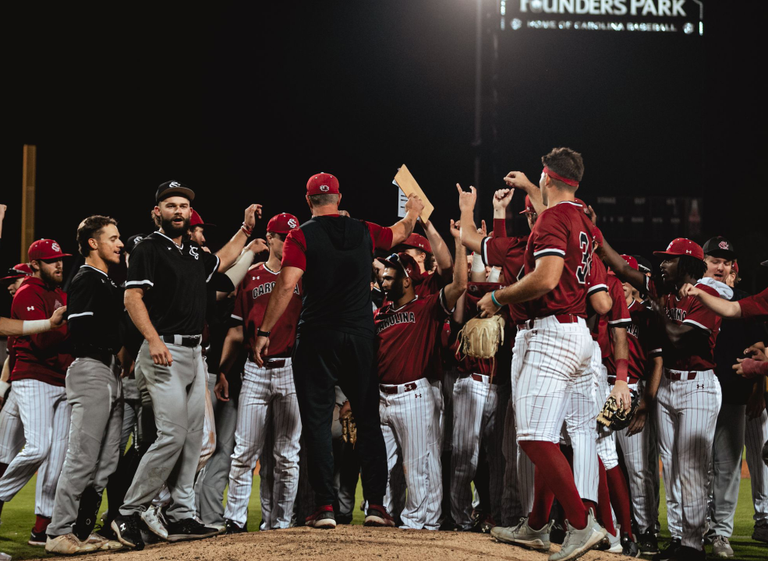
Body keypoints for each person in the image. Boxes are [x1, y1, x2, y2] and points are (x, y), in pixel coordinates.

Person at [253, 172, 424, 529]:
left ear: (308, 200)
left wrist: (265, 330)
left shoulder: (301, 235)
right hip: (360, 336)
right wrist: (413, 212)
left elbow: (286, 283)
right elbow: (399, 233)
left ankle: (324, 508)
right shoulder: (363, 230)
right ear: (339, 197)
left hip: (317, 334)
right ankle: (376, 505)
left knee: (316, 422)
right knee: (367, 419)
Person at [473, 147, 608, 561]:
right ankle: (535, 526)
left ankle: (582, 524)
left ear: (547, 178)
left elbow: (546, 278)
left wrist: (497, 296)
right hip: (576, 332)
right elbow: (598, 296)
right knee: (546, 434)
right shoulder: (585, 221)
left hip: (550, 333)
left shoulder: (553, 217)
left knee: (533, 437)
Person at [110, 180, 261, 550]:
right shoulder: (149, 247)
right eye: (171, 205)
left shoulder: (191, 252)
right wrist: (153, 339)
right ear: (156, 212)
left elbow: (222, 259)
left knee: (195, 439)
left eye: (183, 206)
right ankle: (127, 512)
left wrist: (245, 230)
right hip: (164, 352)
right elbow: (132, 298)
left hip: (195, 354)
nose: (179, 211)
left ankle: (180, 515)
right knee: (173, 434)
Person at [600, 236, 724, 561]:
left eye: (669, 260)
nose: (662, 265)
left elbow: (678, 337)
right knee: (670, 467)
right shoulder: (665, 291)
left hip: (698, 385)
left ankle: (694, 545)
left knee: (692, 468)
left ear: (685, 264)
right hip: (669, 384)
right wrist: (596, 237)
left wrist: (655, 306)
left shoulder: (706, 295)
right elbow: (624, 270)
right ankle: (680, 539)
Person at [375, 219, 467, 529]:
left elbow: (458, 283)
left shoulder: (427, 304)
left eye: (390, 277)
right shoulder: (381, 314)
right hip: (383, 396)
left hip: (417, 391)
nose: (384, 282)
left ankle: (422, 525)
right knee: (383, 467)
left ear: (407, 280)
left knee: (420, 465)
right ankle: (384, 516)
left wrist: (456, 239)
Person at [45, 216, 126, 554]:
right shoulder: (86, 279)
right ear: (93, 243)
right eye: (113, 237)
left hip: (108, 372)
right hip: (91, 369)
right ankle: (58, 531)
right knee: (82, 458)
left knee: (105, 462)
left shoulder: (106, 281)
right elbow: (80, 334)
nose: (120, 243)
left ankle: (80, 531)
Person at [221, 212, 302, 532]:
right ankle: (235, 520)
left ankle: (279, 524)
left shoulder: (302, 277)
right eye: (285, 238)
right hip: (254, 372)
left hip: (291, 369)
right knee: (244, 453)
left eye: (294, 239)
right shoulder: (250, 276)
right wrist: (223, 370)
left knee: (286, 457)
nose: (289, 243)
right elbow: (237, 331)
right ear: (270, 238)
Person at [0, 239, 74, 545]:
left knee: (57, 459)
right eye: (51, 260)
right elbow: (44, 342)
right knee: (35, 449)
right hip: (32, 379)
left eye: (60, 259)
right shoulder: (28, 291)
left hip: (60, 380)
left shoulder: (57, 293)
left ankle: (42, 528)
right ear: (35, 265)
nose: (58, 264)